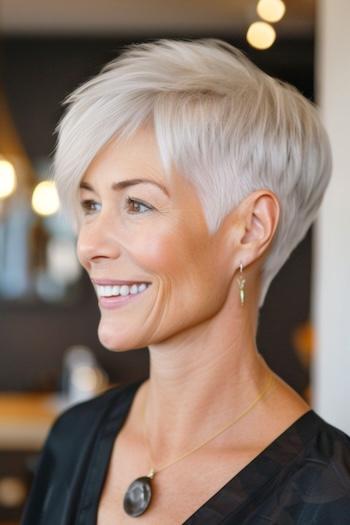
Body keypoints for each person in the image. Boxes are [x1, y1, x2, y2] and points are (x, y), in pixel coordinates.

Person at [21, 39, 350, 525]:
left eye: (137, 204)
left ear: (250, 228)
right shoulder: (72, 438)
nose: (89, 245)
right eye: (91, 205)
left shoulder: (332, 497)